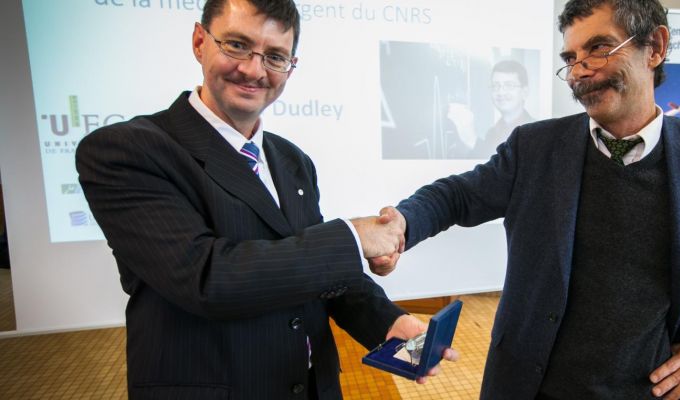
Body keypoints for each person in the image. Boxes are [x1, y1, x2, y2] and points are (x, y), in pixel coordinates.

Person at [371, 0, 680, 398]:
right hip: (535, 389)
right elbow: (457, 195)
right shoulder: (534, 148)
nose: (579, 72)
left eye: (599, 49)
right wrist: (404, 223)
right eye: (570, 58)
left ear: (655, 47)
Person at [75, 0, 454, 398]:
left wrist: (386, 322)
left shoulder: (292, 160)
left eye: (275, 56)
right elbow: (206, 278)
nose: (255, 70)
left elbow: (313, 272)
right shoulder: (127, 150)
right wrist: (352, 238)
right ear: (199, 41)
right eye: (237, 45)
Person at [447, 60, 535, 159]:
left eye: (509, 85)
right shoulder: (492, 133)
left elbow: (508, 168)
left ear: (525, 92)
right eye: (495, 86)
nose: (501, 92)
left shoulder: (536, 132)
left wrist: (472, 140)